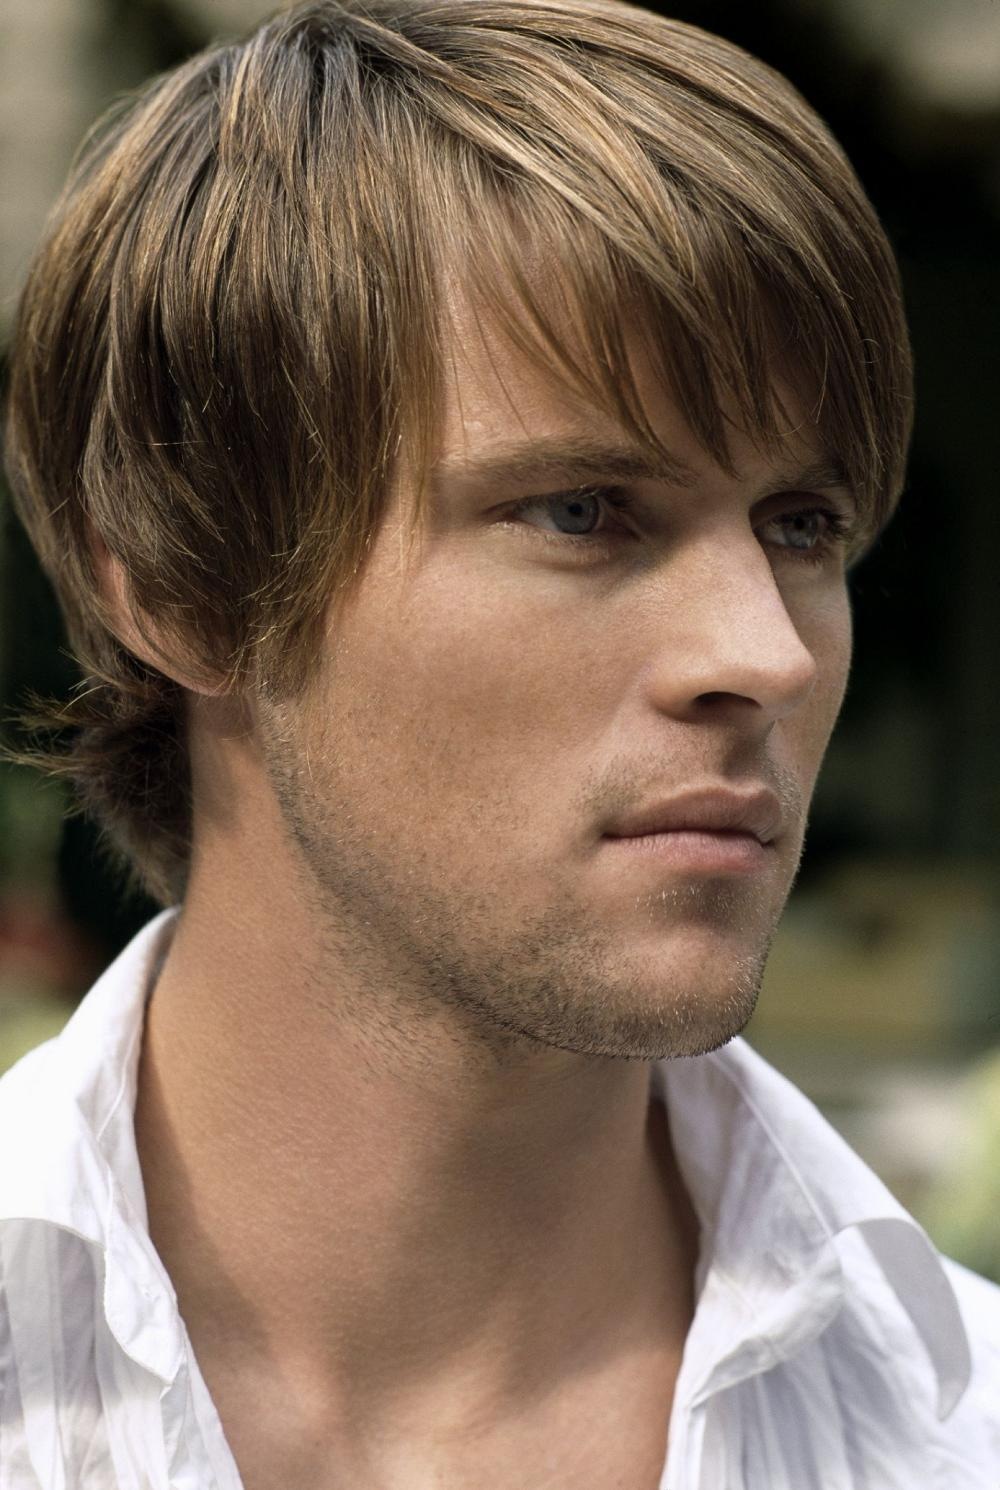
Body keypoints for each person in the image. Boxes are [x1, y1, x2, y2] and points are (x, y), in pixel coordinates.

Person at [1, 0, 997, 1484]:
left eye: (802, 526)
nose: (767, 653)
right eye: (584, 513)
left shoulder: (956, 1425)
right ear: (185, 591)